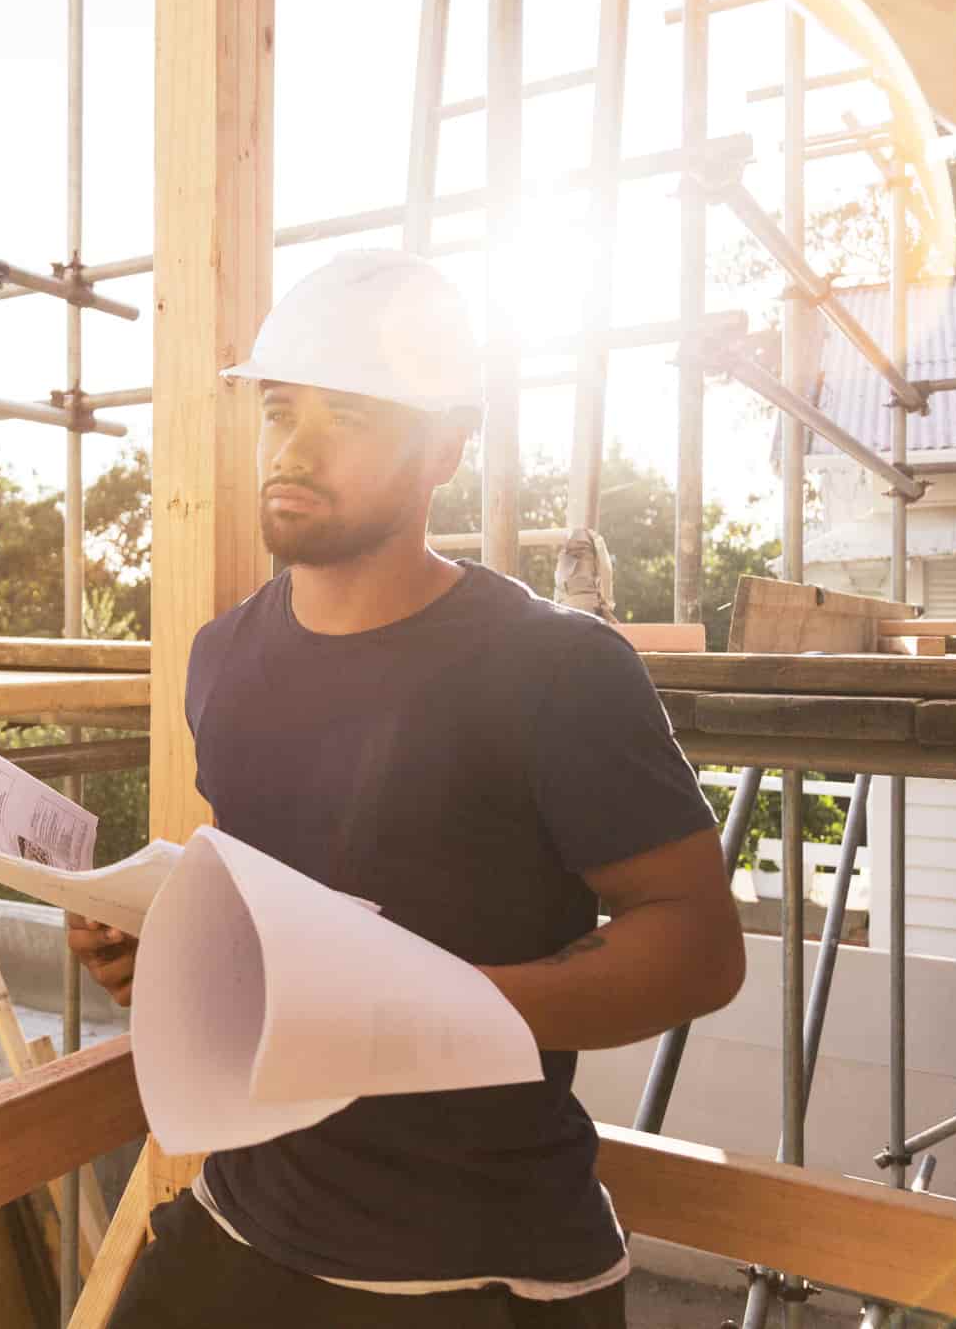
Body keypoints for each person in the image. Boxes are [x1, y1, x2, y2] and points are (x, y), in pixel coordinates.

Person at [70, 249, 745, 1328]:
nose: (293, 446)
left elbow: (699, 943)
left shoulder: (556, 667)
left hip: (481, 1270)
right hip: (245, 1217)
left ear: (444, 448)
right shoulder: (222, 659)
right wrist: (163, 950)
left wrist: (420, 1012)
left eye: (349, 415)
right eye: (279, 408)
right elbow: (281, 904)